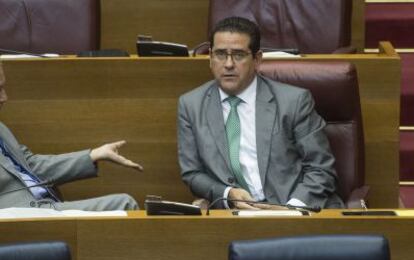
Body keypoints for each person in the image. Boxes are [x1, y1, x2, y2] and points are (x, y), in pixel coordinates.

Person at [177, 16, 344, 209]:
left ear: (257, 60)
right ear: (210, 58)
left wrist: (291, 210)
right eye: (221, 54)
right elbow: (192, 173)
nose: (229, 64)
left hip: (295, 208)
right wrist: (228, 194)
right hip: (236, 215)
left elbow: (321, 169)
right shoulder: (191, 105)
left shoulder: (294, 101)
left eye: (238, 55)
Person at [0, 63, 142, 210]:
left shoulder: (1, 127)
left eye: (3, 88)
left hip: (46, 204)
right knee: (125, 204)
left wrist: (94, 155)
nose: (5, 97)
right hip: (20, 215)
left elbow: (31, 165)